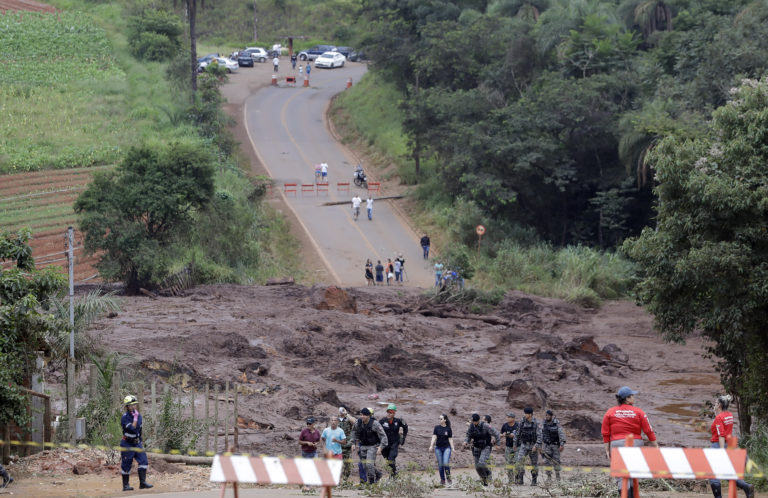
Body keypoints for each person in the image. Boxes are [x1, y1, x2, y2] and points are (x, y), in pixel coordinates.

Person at [601, 386, 658, 498]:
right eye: (632, 396)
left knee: (620, 474)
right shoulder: (639, 412)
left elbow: (605, 433)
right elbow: (648, 430)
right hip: (635, 444)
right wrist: (656, 446)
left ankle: (623, 495)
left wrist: (607, 450)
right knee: (632, 473)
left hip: (616, 445)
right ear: (627, 398)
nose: (634, 397)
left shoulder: (610, 412)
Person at [708, 395, 755, 498]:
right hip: (727, 445)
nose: (715, 405)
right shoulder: (729, 415)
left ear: (719, 405)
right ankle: (746, 487)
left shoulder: (719, 418)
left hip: (718, 446)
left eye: (716, 403)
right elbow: (724, 430)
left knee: (712, 474)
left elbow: (721, 435)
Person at [120, 395, 152, 491]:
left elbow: (139, 429)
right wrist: (135, 419)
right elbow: (133, 429)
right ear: (127, 406)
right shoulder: (125, 418)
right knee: (126, 464)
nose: (134, 406)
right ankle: (126, 486)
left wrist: (140, 440)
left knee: (143, 461)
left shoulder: (139, 415)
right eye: (131, 405)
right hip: (127, 443)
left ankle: (142, 483)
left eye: (135, 404)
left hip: (137, 443)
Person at [349, 407, 388, 485]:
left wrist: (381, 447)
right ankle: (378, 474)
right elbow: (353, 431)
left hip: (372, 446)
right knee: (364, 465)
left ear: (369, 416)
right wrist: (353, 443)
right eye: (361, 415)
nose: (362, 416)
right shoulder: (358, 423)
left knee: (369, 464)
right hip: (363, 446)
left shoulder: (375, 424)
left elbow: (383, 436)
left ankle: (371, 482)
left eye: (364, 415)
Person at [463, 413, 498, 486]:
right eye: (473, 421)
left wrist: (497, 443)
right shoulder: (471, 426)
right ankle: (484, 479)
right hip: (476, 447)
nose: (474, 422)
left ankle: (488, 473)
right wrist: (466, 441)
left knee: (481, 463)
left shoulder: (485, 425)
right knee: (477, 467)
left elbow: (496, 433)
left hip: (486, 447)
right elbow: (468, 435)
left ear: (478, 420)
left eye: (475, 421)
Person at [513, 406, 542, 486]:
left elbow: (540, 436)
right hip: (524, 445)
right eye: (524, 413)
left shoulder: (536, 423)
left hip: (533, 445)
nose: (524, 415)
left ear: (530, 414)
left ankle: (534, 480)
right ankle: (520, 479)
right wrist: (515, 444)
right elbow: (517, 433)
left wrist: (536, 446)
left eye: (526, 413)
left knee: (534, 464)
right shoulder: (522, 422)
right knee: (519, 462)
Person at [379, 404, 408, 479]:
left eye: (391, 412)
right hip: (385, 444)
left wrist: (403, 437)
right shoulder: (382, 421)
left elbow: (405, 427)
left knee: (391, 458)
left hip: (394, 444)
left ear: (394, 413)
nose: (389, 414)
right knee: (388, 461)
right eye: (388, 412)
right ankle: (394, 473)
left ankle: (393, 474)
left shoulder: (398, 421)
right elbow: (376, 431)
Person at [429, 413, 454, 487]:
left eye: (441, 419)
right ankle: (442, 480)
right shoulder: (436, 427)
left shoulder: (448, 429)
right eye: (439, 418)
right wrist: (431, 445)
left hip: (447, 448)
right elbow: (434, 437)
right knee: (440, 465)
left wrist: (453, 447)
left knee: (445, 463)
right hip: (438, 448)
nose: (439, 420)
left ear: (445, 420)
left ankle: (449, 478)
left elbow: (450, 439)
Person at [541, 409, 566, 481]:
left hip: (555, 445)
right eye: (546, 415)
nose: (546, 417)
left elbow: (561, 433)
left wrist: (562, 444)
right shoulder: (544, 423)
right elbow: (540, 433)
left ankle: (557, 475)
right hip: (547, 446)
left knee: (556, 461)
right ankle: (549, 477)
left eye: (548, 415)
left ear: (551, 416)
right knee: (547, 461)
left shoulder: (556, 423)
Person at [338, 407, 356, 484]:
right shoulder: (335, 419)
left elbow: (355, 422)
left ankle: (345, 480)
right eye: (340, 410)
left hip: (347, 444)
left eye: (343, 410)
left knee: (347, 465)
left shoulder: (348, 418)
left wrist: (346, 414)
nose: (341, 412)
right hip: (337, 445)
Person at [500, 412, 519, 484]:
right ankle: (510, 480)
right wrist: (503, 435)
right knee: (509, 463)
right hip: (508, 447)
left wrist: (514, 435)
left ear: (513, 418)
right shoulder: (505, 425)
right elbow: (501, 434)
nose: (507, 418)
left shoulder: (518, 425)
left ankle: (517, 479)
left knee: (517, 463)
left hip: (517, 447)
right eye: (507, 417)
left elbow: (521, 435)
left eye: (509, 417)